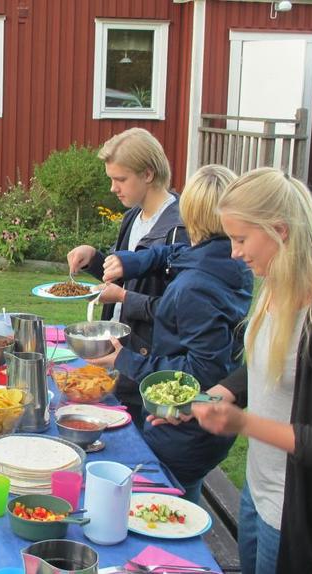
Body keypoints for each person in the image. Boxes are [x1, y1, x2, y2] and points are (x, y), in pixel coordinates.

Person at [194, 168, 312, 573]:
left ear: (280, 231)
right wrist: (220, 393)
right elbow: (264, 365)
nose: (235, 253)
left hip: (296, 509)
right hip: (258, 495)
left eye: (241, 239)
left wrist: (242, 422)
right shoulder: (274, 287)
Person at [89, 165, 253, 501]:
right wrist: (128, 262)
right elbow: (170, 254)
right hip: (202, 432)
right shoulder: (226, 258)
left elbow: (201, 373)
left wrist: (127, 360)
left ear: (190, 214)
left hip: (182, 429)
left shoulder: (195, 287)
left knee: (167, 509)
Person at [66, 128, 188, 422]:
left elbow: (178, 310)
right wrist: (94, 259)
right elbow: (123, 276)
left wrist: (124, 298)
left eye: (120, 179)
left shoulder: (179, 229)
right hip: (121, 356)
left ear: (147, 174)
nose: (113, 188)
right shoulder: (133, 215)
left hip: (151, 364)